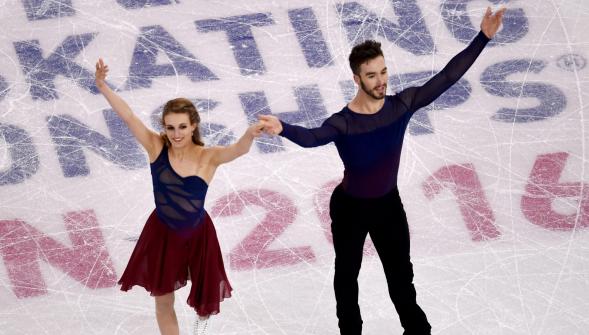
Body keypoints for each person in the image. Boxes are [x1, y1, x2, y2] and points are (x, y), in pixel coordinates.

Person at [259, 7, 505, 335]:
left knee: (401, 278)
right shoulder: (344, 123)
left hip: (388, 206)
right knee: (346, 276)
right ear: (356, 78)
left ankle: (418, 331)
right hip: (349, 209)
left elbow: (447, 77)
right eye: (372, 75)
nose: (381, 81)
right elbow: (313, 137)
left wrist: (483, 38)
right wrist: (283, 128)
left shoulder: (401, 106)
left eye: (384, 72)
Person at [95, 59, 263, 335]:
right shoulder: (156, 147)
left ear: (193, 125)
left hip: (198, 234)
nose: (176, 134)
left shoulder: (208, 157)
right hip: (162, 233)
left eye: (182, 127)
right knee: (163, 301)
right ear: (164, 127)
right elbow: (129, 117)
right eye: (170, 127)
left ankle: (202, 320)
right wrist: (103, 86)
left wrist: (248, 134)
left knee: (204, 304)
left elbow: (237, 150)